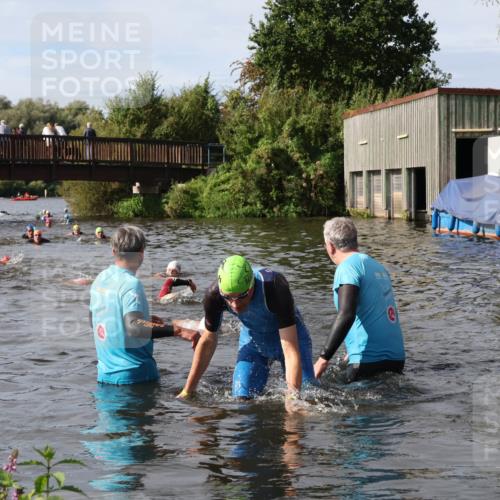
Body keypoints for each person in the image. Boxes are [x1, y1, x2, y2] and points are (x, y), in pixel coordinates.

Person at [178, 255, 316, 400]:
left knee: (306, 396)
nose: (235, 305)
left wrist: (292, 398)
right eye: (229, 298)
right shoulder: (214, 296)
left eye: (242, 296)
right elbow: (207, 342)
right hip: (254, 341)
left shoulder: (274, 287)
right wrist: (188, 390)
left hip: (291, 338)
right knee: (242, 399)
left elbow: (290, 349)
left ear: (252, 286)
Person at [89, 225, 200, 385]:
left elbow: (96, 320)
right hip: (136, 377)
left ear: (113, 251)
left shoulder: (100, 278)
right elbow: (135, 327)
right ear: (141, 253)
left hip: (104, 377)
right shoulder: (131, 284)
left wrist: (145, 318)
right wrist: (179, 330)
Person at [313, 217, 406, 383]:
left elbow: (346, 314)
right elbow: (375, 311)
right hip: (397, 360)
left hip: (367, 361)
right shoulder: (378, 267)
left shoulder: (346, 267)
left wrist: (322, 359)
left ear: (330, 246)